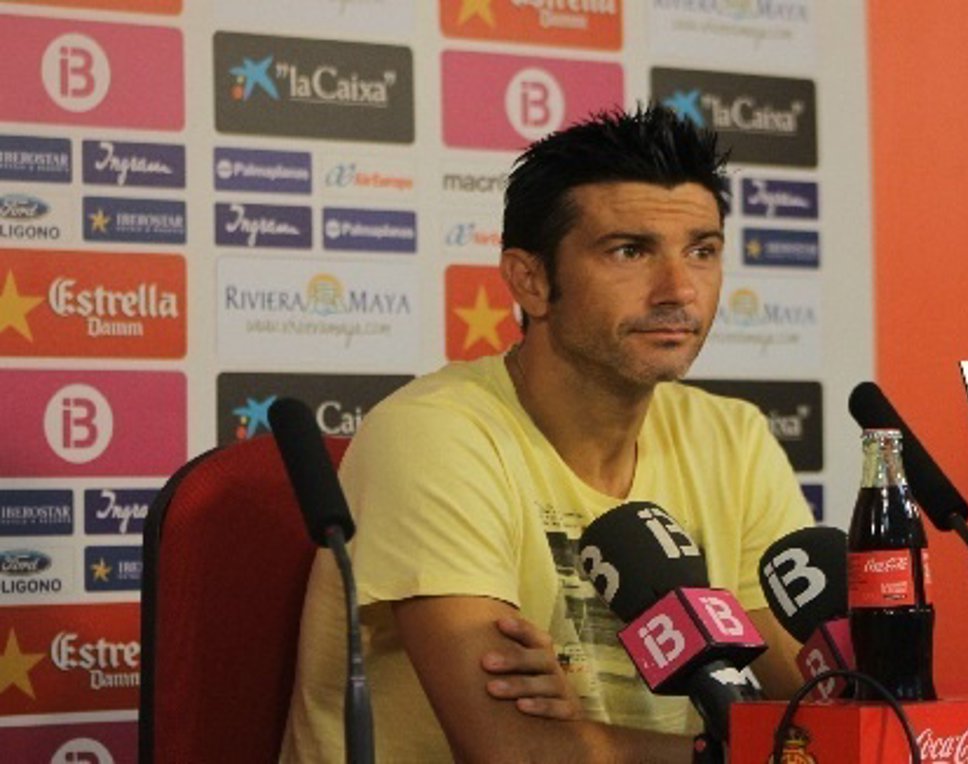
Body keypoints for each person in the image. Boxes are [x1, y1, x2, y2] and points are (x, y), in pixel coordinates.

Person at [281, 104, 813, 762]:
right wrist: (747, 753)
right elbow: (511, 748)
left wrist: (581, 736)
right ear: (530, 281)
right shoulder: (433, 434)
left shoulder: (733, 438)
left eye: (701, 251)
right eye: (630, 251)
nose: (679, 290)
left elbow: (817, 704)